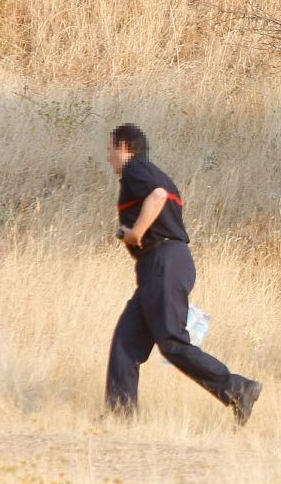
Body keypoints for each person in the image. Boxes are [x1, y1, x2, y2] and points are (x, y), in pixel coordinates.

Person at [105, 123, 262, 425]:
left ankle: (237, 389)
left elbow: (158, 196)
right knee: (126, 341)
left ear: (123, 146)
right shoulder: (150, 171)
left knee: (172, 343)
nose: (109, 157)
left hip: (164, 262)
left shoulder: (137, 170)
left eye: (110, 150)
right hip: (161, 265)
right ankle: (120, 418)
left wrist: (134, 232)